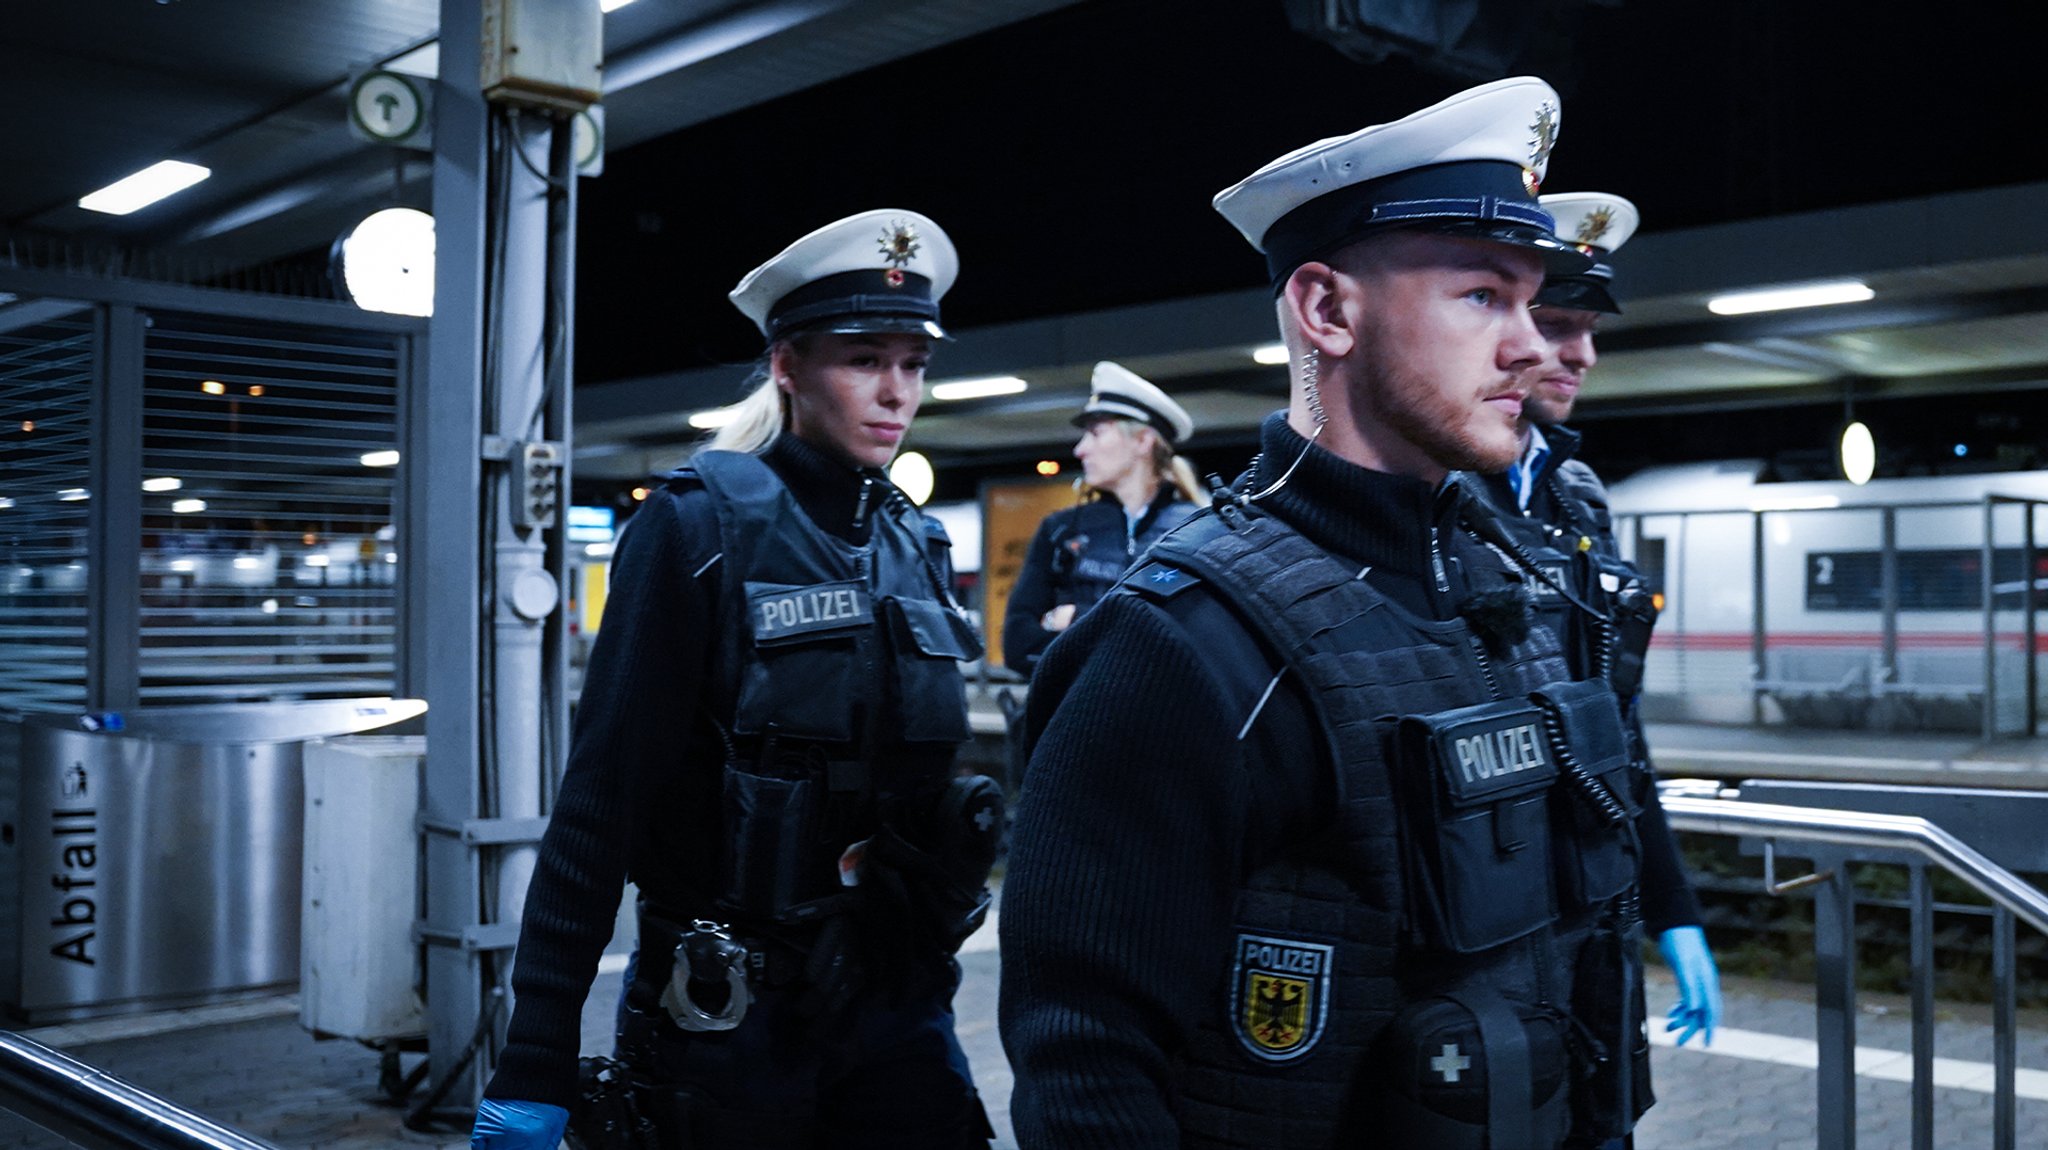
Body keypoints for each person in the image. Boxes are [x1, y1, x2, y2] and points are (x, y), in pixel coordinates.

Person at [1000, 77, 1692, 1149]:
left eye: (1529, 300)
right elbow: (1087, 1065)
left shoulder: (1519, 587)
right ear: (1326, 309)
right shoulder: (1180, 642)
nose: (1531, 346)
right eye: (1479, 297)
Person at [473, 209, 1002, 1150]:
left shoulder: (913, 544)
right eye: (862, 359)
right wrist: (535, 1062)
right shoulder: (694, 531)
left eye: (913, 364)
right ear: (787, 366)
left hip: (889, 1000)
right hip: (726, 1015)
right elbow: (599, 810)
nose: (895, 392)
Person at [1482, 190, 1722, 1059]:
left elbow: (1613, 726)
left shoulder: (1576, 496)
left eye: (1589, 328)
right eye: (1557, 323)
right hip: (1485, 940)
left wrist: (1673, 908)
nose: (1582, 355)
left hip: (1592, 930)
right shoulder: (1422, 488)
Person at [1001, 362, 1207, 674]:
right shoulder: (1060, 532)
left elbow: (1202, 640)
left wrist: (1076, 619)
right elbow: (1018, 645)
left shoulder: (1198, 531)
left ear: (1142, 441)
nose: (1080, 450)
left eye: (1096, 433)